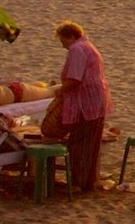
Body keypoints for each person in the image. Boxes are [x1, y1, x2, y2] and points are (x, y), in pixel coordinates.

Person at [44, 22, 110, 195]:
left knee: (79, 143)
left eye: (63, 42)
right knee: (90, 143)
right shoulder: (88, 46)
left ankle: (77, 183)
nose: (63, 46)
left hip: (86, 103)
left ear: (70, 36)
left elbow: (74, 80)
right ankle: (88, 182)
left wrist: (56, 91)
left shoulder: (77, 49)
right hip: (96, 101)